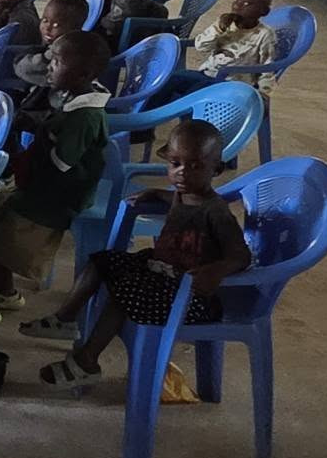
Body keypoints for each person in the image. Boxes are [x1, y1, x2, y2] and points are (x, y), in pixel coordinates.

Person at [28, 120, 251, 387]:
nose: (182, 173)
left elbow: (241, 255)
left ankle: (87, 362)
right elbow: (178, 201)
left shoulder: (216, 211)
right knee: (102, 261)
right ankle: (65, 319)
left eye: (195, 166)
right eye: (175, 163)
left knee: (124, 295)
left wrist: (216, 270)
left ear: (216, 169)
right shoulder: (183, 194)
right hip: (162, 276)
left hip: (189, 297)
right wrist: (156, 192)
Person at [0, 31, 114, 325]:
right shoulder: (74, 97)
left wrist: (42, 136)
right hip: (42, 185)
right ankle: (7, 293)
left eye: (57, 62)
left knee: (8, 244)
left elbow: (62, 162)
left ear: (83, 74)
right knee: (5, 233)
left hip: (56, 196)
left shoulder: (84, 116)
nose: (49, 66)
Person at [168, 0, 278, 95]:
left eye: (246, 3)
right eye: (235, 0)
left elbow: (268, 67)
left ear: (264, 11)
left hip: (231, 83)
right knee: (170, 80)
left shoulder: (265, 34)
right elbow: (201, 46)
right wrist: (218, 29)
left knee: (192, 93)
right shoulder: (224, 24)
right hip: (207, 73)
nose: (237, 6)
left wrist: (264, 94)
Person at [15, 0, 91, 90]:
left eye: (56, 25)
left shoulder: (62, 56)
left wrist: (19, 60)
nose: (47, 28)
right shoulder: (59, 42)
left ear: (75, 28)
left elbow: (24, 70)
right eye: (45, 20)